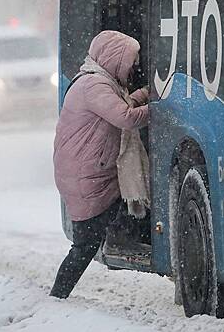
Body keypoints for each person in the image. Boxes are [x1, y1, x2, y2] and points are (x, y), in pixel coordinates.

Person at [50, 30, 150, 299]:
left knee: (89, 239)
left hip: (84, 171)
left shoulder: (99, 81)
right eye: (130, 62)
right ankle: (56, 298)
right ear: (115, 58)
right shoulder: (94, 86)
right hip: (84, 175)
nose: (133, 68)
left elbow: (121, 103)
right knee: (85, 244)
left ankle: (58, 296)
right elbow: (126, 117)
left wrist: (144, 94)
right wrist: (160, 107)